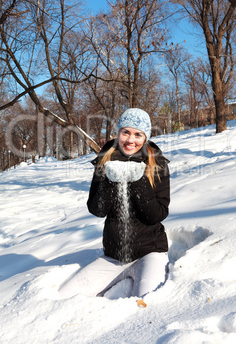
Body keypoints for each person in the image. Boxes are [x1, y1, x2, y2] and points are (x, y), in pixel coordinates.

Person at [59, 108, 170, 301]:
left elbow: (157, 214)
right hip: (114, 256)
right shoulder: (105, 161)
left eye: (138, 134)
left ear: (145, 137)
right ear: (118, 133)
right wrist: (110, 179)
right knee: (65, 296)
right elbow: (97, 209)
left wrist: (138, 181)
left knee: (148, 303)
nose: (130, 140)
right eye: (125, 132)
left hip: (150, 252)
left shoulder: (157, 164)